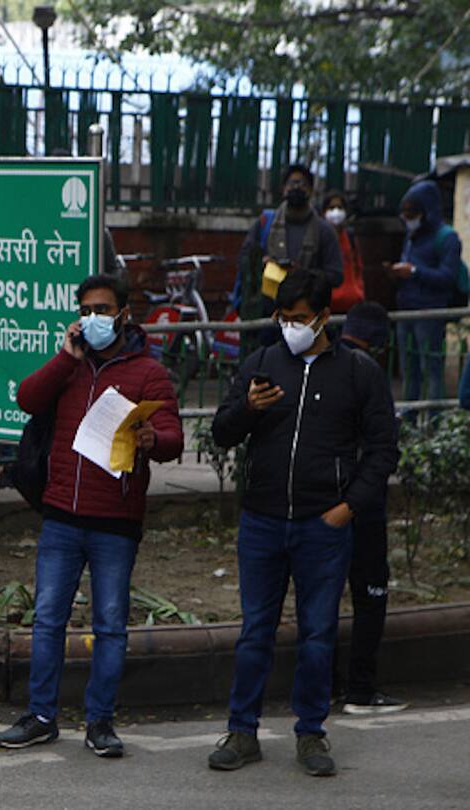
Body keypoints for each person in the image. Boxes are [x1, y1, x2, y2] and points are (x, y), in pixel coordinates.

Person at [207, 271, 398, 777]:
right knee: (254, 632)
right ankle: (242, 730)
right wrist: (247, 408)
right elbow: (220, 433)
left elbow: (383, 450)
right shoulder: (262, 363)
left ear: (321, 317)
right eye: (281, 317)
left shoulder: (357, 372)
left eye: (297, 319)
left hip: (324, 526)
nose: (287, 326)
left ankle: (311, 732)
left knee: (317, 634)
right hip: (263, 522)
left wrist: (348, 507)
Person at [0, 274, 184, 758]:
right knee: (48, 620)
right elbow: (27, 399)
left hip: (115, 522)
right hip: (61, 514)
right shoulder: (71, 367)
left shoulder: (149, 373)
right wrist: (65, 358)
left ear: (124, 314)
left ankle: (100, 721)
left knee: (110, 626)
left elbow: (173, 438)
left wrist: (152, 440)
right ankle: (41, 716)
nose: (94, 318)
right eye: (86, 309)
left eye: (103, 309)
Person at [332, 302, 407, 715]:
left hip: (323, 504)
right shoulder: (369, 372)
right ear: (379, 341)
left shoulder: (326, 365)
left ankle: (323, 684)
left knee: (322, 600)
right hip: (363, 506)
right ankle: (360, 689)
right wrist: (357, 502)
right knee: (370, 597)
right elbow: (383, 448)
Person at [233, 164, 343, 325]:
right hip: (267, 313)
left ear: (311, 191)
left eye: (303, 184)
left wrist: (302, 275)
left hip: (307, 317)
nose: (297, 188)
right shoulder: (265, 223)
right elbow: (244, 260)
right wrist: (262, 265)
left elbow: (336, 275)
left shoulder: (324, 230)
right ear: (283, 189)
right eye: (292, 183)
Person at [390, 179, 461, 404]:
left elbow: (448, 277)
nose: (407, 218)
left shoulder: (447, 238)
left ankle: (434, 422)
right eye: (404, 212)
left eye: (412, 212)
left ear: (426, 211)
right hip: (406, 310)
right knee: (409, 372)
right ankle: (409, 421)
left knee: (431, 371)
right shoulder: (412, 236)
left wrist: (414, 272)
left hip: (430, 313)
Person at [320, 191, 365, 314]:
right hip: (326, 304)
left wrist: (359, 291)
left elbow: (358, 267)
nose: (336, 211)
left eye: (340, 207)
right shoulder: (318, 238)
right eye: (331, 207)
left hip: (351, 302)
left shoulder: (350, 237)